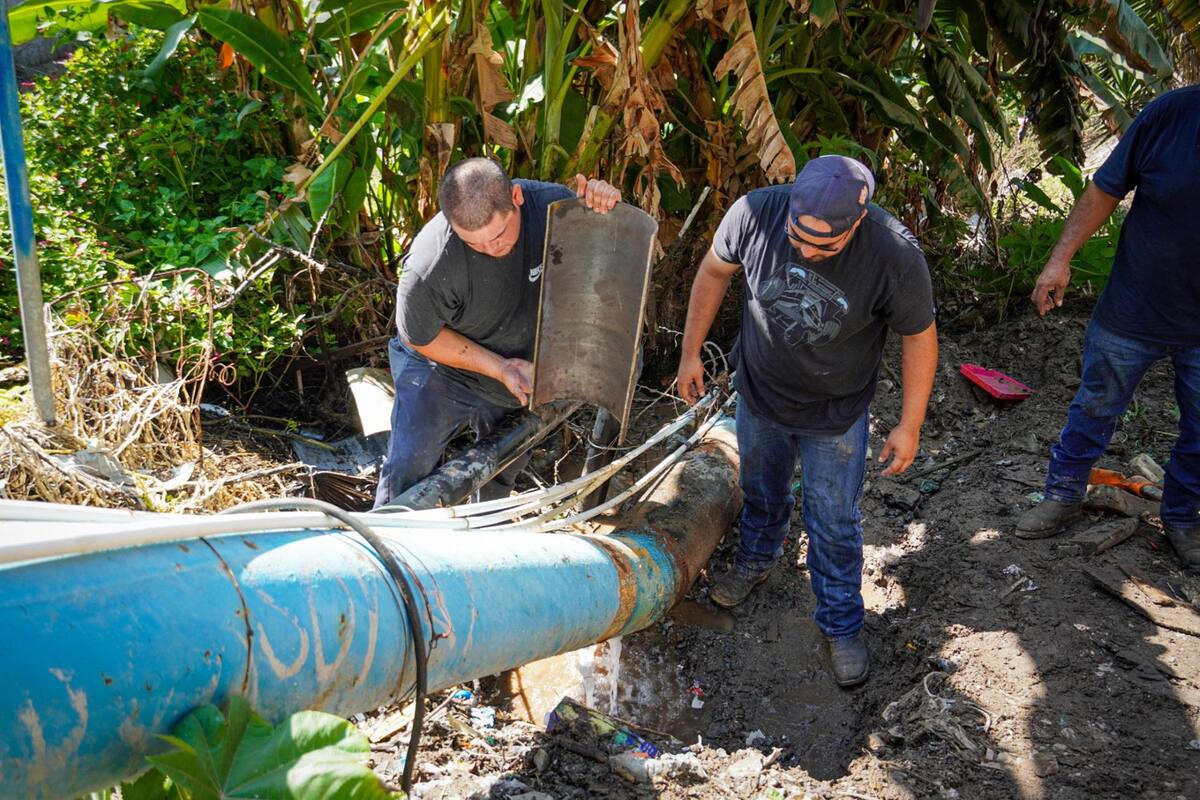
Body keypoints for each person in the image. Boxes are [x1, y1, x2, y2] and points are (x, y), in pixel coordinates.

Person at [675, 155, 938, 687]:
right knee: (759, 488)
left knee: (833, 519)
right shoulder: (754, 211)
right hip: (761, 395)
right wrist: (690, 353)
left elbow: (920, 337)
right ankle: (756, 558)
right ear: (791, 205)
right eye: (799, 239)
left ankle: (841, 622)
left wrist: (909, 424)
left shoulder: (894, 253)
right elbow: (714, 271)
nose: (808, 252)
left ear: (858, 222)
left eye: (826, 247)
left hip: (836, 413)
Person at [1015, 85, 1200, 571]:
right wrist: (1059, 261)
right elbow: (1105, 188)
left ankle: (1182, 518)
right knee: (1095, 406)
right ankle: (1063, 495)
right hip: (1135, 306)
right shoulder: (1171, 115)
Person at [374, 158, 620, 508]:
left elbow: (605, 259)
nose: (492, 249)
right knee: (410, 465)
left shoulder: (554, 208)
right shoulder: (429, 262)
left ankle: (486, 535)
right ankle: (386, 542)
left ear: (516, 197)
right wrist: (498, 367)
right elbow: (420, 338)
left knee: (505, 459)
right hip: (441, 366)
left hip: (517, 353)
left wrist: (602, 207)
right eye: (474, 244)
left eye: (500, 235)